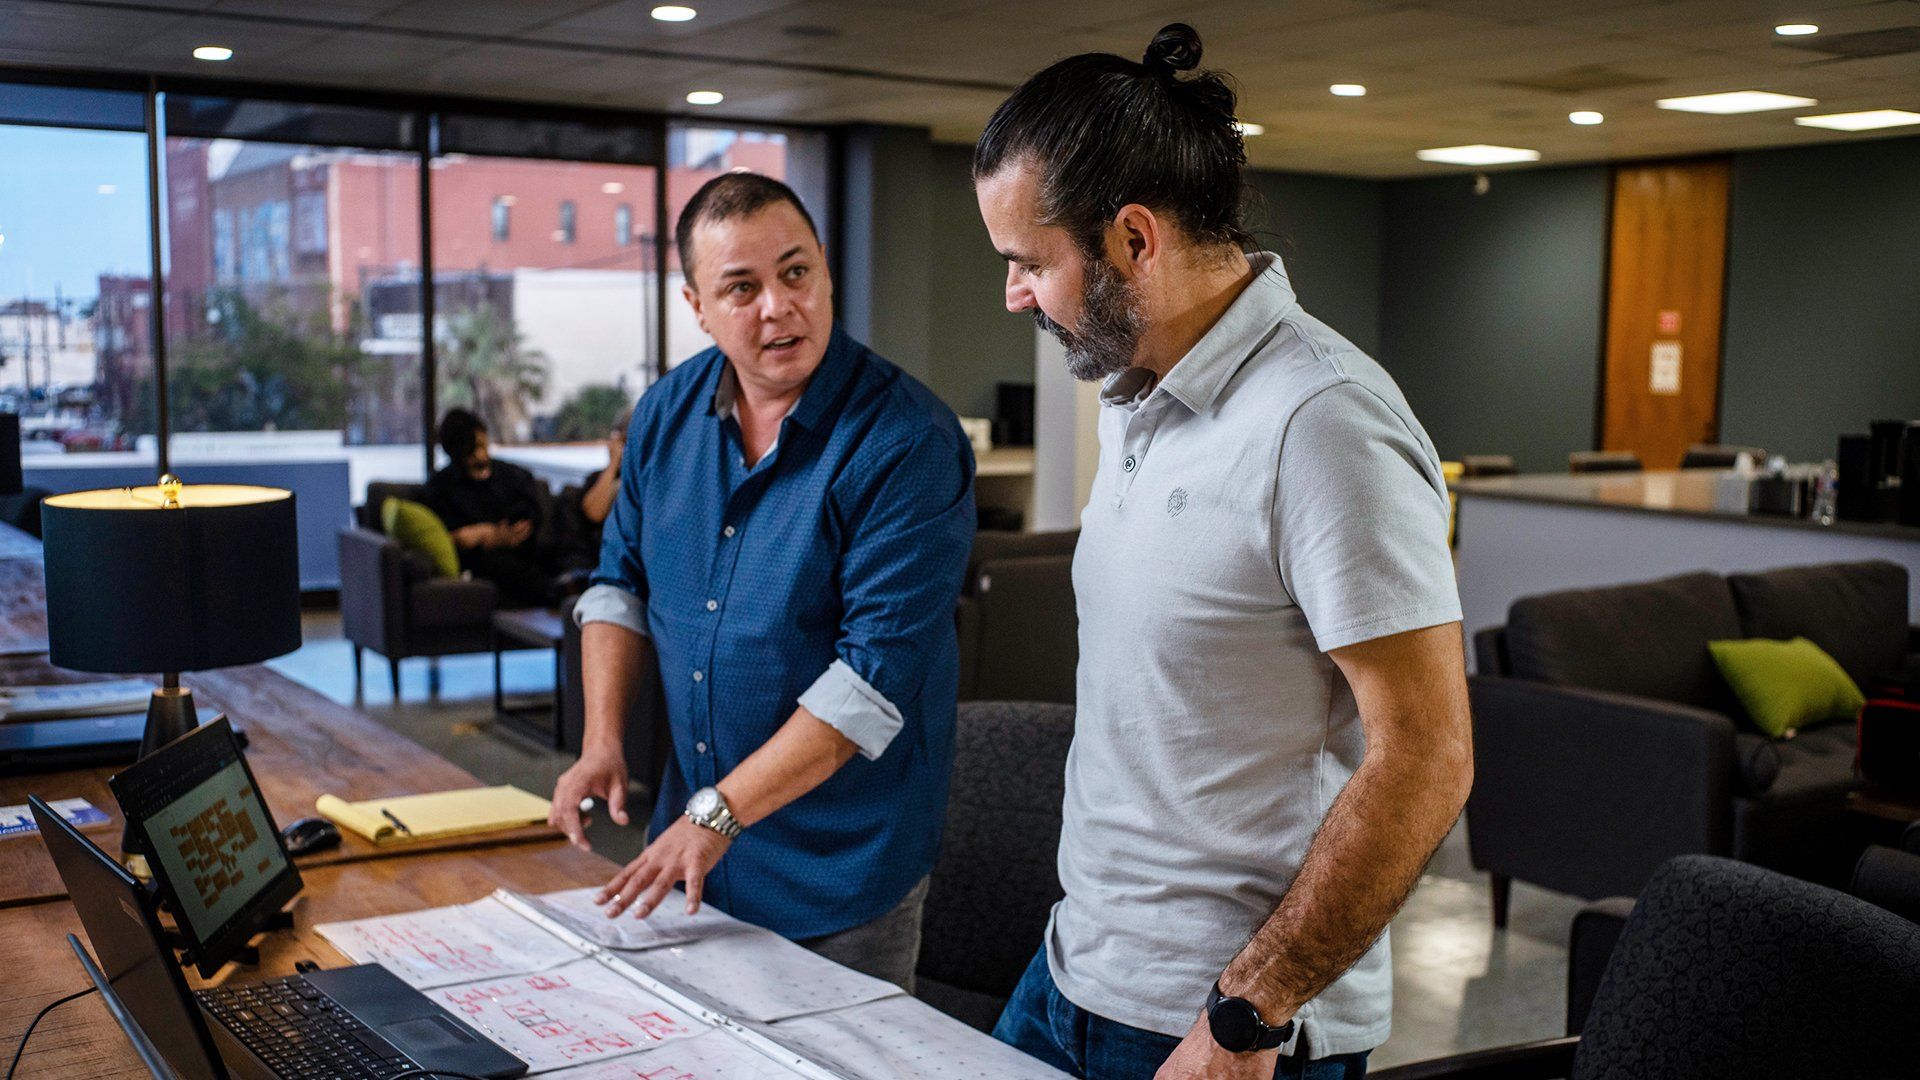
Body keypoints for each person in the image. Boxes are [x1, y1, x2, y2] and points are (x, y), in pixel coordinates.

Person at [973, 24, 1472, 1080]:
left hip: (1227, 1024)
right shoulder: (1134, 392)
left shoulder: (1325, 423)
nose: (1014, 295)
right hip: (1075, 971)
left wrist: (1249, 1013)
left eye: (1031, 263)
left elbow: (1428, 758)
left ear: (1133, 240)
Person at [549, 172, 976, 991]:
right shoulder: (665, 414)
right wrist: (603, 738)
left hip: (840, 873)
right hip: (692, 855)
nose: (779, 308)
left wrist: (717, 814)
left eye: (796, 273)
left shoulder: (908, 441)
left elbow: (869, 684)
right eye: (741, 288)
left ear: (825, 270)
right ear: (697, 307)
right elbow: (616, 586)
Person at [425, 408, 562, 607]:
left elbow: (531, 512)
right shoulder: (441, 487)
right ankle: (557, 594)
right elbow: (453, 536)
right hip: (481, 558)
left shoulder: (513, 475)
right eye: (472, 450)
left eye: (483, 445)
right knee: (496, 564)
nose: (481, 454)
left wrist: (504, 532)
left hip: (525, 547)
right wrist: (483, 535)